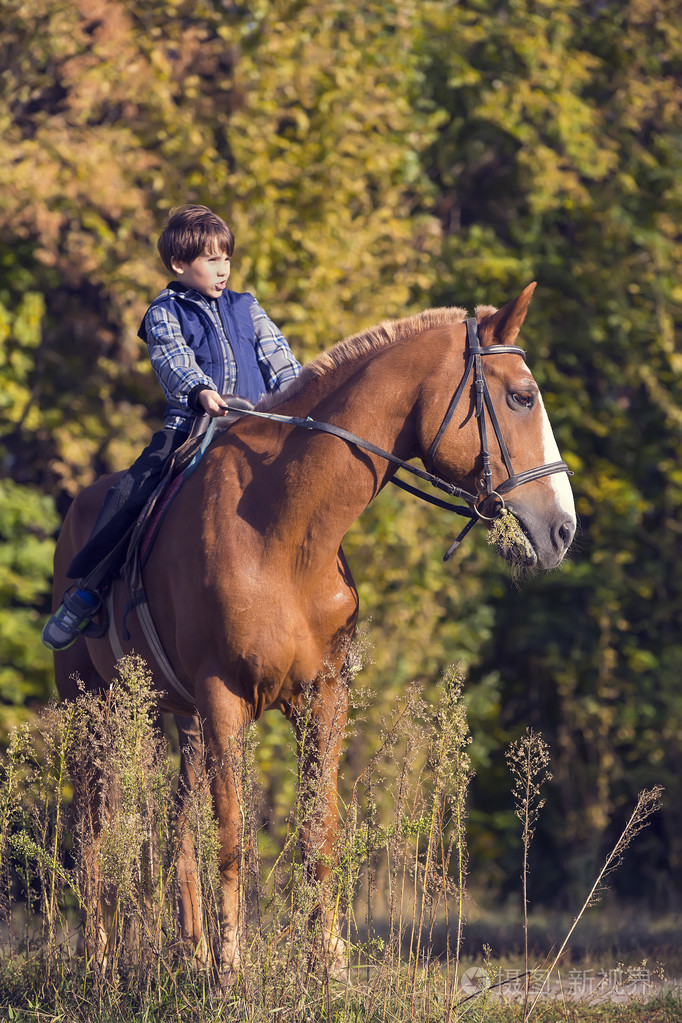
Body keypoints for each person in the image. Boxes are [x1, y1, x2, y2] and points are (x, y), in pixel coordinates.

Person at [42, 204, 301, 651]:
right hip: (194, 426)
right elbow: (171, 357)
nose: (223, 270)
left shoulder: (247, 307)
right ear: (180, 265)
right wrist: (199, 389)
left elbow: (281, 359)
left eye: (227, 258)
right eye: (211, 260)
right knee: (134, 491)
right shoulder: (165, 310)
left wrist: (301, 395)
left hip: (258, 427)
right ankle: (87, 592)